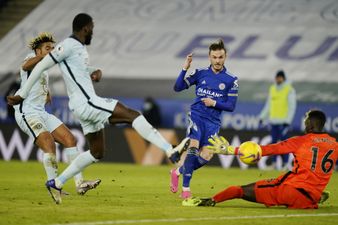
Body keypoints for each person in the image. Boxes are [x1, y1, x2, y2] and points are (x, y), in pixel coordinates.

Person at [7, 13, 189, 203]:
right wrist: (22, 93)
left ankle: (58, 182)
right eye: (92, 28)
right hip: (86, 103)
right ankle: (170, 150)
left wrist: (94, 71)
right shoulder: (67, 45)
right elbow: (38, 65)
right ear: (85, 28)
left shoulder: (79, 49)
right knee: (131, 114)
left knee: (96, 152)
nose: (93, 31)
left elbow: (77, 69)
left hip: (79, 106)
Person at [12, 32, 101, 203]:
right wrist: (43, 57)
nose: (52, 51)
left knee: (70, 140)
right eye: (47, 48)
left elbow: (37, 79)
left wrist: (46, 92)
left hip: (41, 112)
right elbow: (25, 66)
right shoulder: (32, 57)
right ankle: (54, 187)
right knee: (49, 145)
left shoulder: (44, 68)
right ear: (38, 51)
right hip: (27, 113)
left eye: (53, 48)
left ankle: (80, 183)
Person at [184, 109, 337, 209]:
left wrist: (230, 150)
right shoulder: (334, 144)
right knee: (293, 184)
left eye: (306, 119)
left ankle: (210, 201)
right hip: (312, 193)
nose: (304, 122)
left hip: (290, 190)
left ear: (310, 123)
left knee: (239, 190)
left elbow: (267, 150)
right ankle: (314, 197)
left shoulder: (301, 141)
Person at [170, 39, 239, 199]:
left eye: (220, 57)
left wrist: (213, 102)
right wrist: (184, 68)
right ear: (209, 57)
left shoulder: (231, 80)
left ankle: (178, 171)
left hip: (213, 123)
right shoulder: (200, 73)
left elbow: (231, 106)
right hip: (197, 116)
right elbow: (178, 87)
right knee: (193, 147)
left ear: (225, 57)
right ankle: (186, 190)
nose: (217, 61)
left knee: (206, 155)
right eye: (214, 57)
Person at [259, 70, 296, 170]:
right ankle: (274, 163)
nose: (278, 79)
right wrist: (262, 117)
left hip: (283, 122)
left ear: (283, 78)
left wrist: (288, 121)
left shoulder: (289, 89)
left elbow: (292, 106)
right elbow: (268, 105)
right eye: (277, 77)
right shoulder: (272, 88)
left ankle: (285, 164)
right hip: (273, 122)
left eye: (280, 77)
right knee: (274, 144)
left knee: (284, 144)